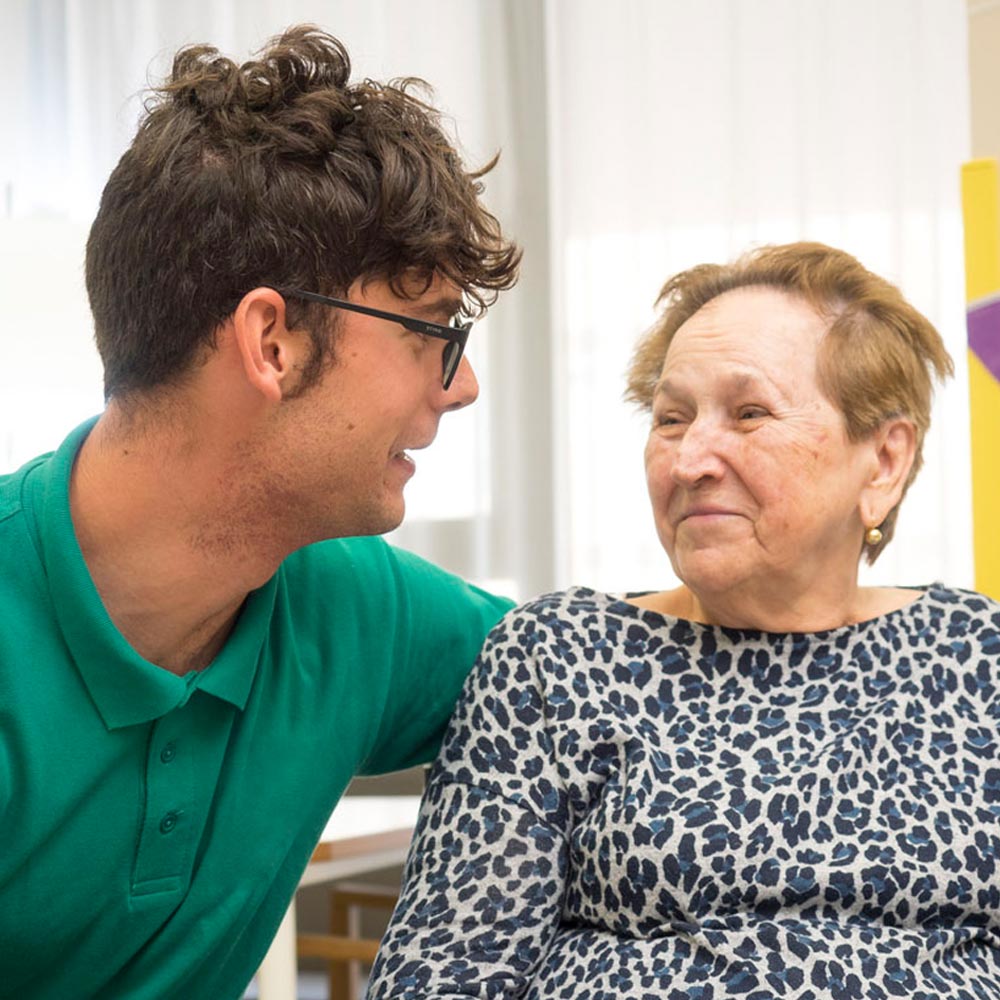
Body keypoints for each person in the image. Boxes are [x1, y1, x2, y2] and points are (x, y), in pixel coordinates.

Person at [0, 25, 520, 1000]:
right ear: (272, 341)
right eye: (430, 332)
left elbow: (612, 671)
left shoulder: (353, 605)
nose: (462, 385)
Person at [367, 242, 1000, 999]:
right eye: (671, 418)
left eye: (750, 413)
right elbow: (441, 976)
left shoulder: (979, 659)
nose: (691, 458)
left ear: (885, 460)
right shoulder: (558, 657)